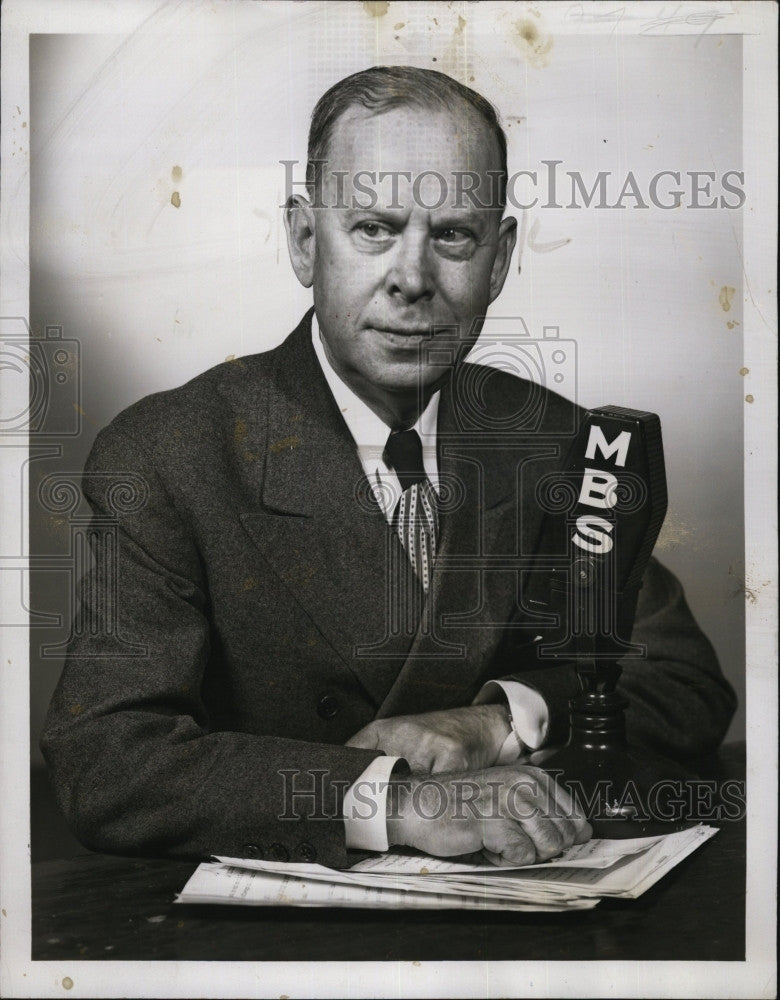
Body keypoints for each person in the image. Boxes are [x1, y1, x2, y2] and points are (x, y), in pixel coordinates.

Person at [41, 66, 736, 871]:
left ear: (500, 258)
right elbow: (109, 760)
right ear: (305, 241)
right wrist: (399, 800)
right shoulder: (168, 453)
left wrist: (498, 720)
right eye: (374, 228)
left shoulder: (556, 442)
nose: (413, 278)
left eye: (453, 236)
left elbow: (684, 685)